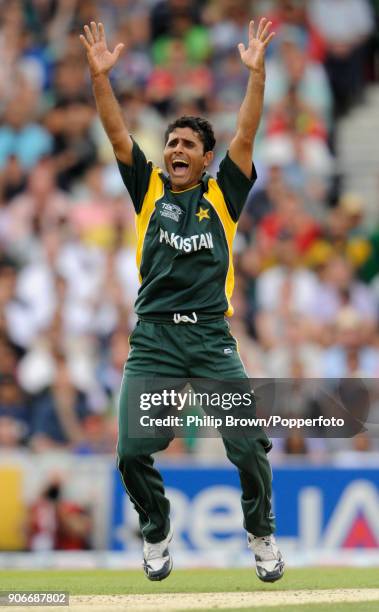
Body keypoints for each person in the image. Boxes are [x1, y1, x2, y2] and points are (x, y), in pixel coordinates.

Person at [80, 19, 284, 583]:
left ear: (205, 157)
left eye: (187, 145)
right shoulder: (147, 190)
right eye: (171, 142)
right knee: (128, 451)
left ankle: (261, 533)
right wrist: (100, 79)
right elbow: (117, 131)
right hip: (153, 339)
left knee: (248, 447)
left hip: (211, 339)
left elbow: (247, 133)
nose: (175, 149)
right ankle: (157, 531)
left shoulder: (223, 194)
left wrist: (256, 74)